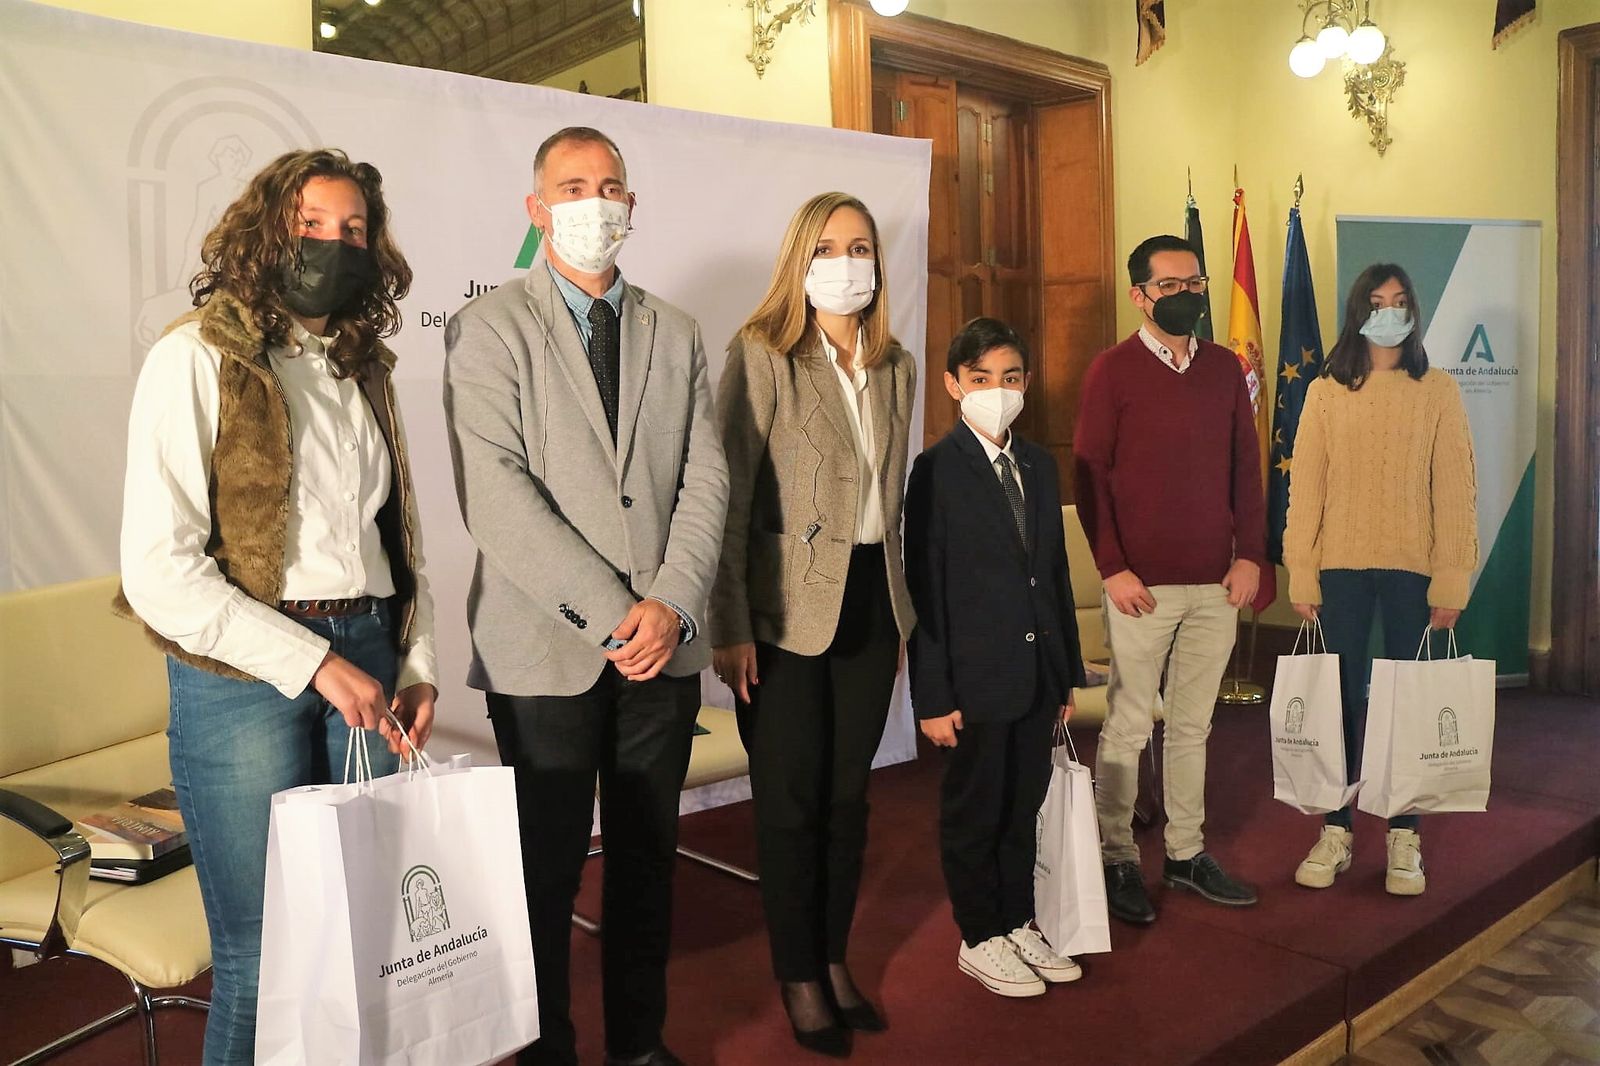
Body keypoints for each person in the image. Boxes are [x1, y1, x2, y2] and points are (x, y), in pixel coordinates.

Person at [117, 148, 437, 1066]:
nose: (333, 245)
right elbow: (159, 573)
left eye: (353, 230)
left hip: (369, 649)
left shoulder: (360, 366)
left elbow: (398, 534)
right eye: (311, 225)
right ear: (265, 232)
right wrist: (314, 662)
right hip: (242, 679)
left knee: (360, 943)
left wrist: (413, 664)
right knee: (262, 958)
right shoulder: (193, 357)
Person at [442, 126, 728, 1066]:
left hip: (665, 647)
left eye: (610, 185)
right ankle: (545, 1050)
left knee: (648, 860)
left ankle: (639, 1046)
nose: (594, 201)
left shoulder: (677, 331)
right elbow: (497, 494)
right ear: (536, 209)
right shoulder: (488, 328)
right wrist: (615, 613)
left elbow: (704, 479)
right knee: (544, 873)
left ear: (632, 207)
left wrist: (674, 604)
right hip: (545, 649)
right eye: (572, 186)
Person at [709, 191, 916, 1057]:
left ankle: (831, 960)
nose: (847, 260)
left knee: (846, 800)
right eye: (828, 245)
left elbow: (891, 501)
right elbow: (728, 495)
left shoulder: (897, 365)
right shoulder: (764, 354)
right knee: (790, 805)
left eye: (860, 245)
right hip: (783, 612)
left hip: (872, 600)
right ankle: (797, 974)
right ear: (800, 259)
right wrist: (730, 622)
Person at [1073, 234, 1265, 926]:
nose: (1186, 296)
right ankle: (1117, 856)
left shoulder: (1222, 369)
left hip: (1216, 582)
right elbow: (1090, 475)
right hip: (1140, 588)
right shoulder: (1112, 372)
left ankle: (1186, 854)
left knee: (1192, 727)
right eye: (1170, 286)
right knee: (1126, 727)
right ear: (1140, 295)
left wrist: (1253, 556)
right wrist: (1113, 568)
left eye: (1195, 284)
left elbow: (1248, 468)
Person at [904, 317, 1088, 998]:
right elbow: (923, 589)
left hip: (1036, 674)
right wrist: (933, 696)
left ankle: (1017, 919)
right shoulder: (934, 471)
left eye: (1010, 378)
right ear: (954, 385)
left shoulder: (1039, 464)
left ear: (1027, 385)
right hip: (972, 681)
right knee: (976, 808)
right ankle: (979, 934)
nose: (997, 390)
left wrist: (1065, 669)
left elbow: (1056, 573)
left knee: (1022, 803)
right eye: (981, 379)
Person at [1284, 263, 1478, 897]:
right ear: (1358, 311)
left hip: (1411, 573)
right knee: (1338, 700)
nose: (1389, 311)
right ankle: (1336, 828)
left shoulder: (1438, 391)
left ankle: (1404, 835)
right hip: (1339, 568)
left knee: (1409, 708)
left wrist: (1451, 580)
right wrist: (1302, 571)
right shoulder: (1325, 390)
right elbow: (1305, 489)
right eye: (1377, 301)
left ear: (1414, 312)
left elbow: (1455, 492)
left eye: (1399, 301)